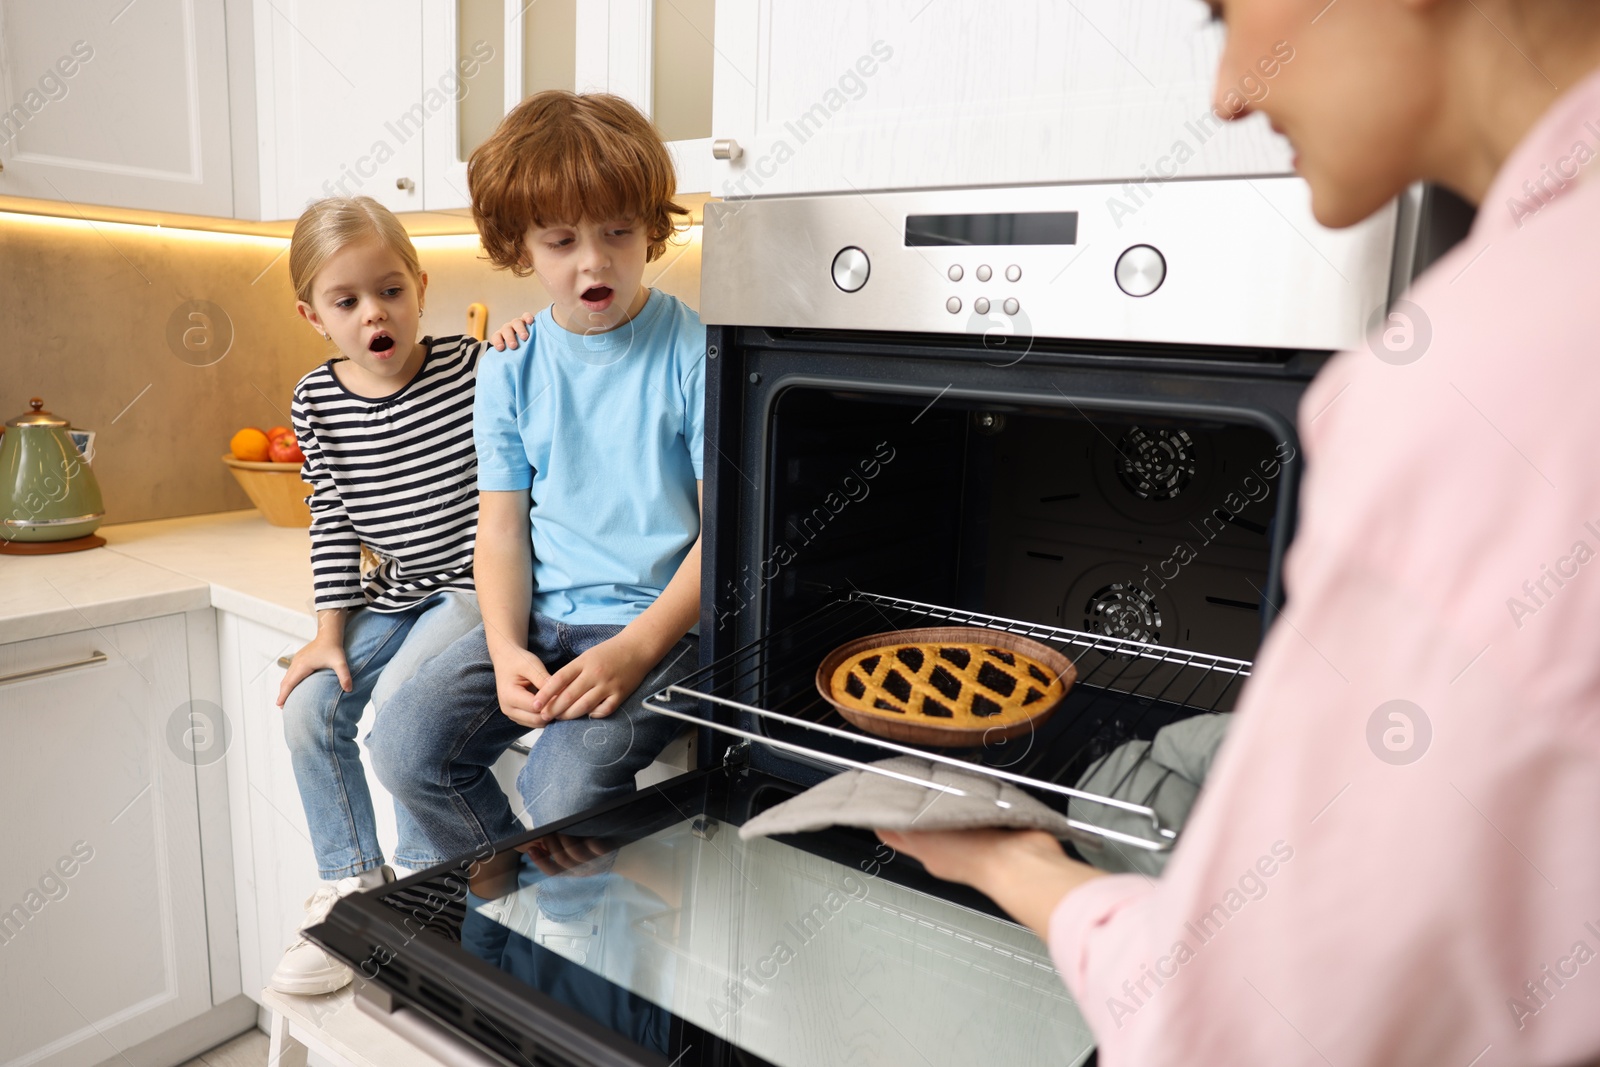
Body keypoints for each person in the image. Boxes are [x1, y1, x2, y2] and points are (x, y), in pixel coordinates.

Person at [881, 1, 1600, 1061]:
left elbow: (1243, 1026)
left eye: (1226, 12)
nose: (1227, 93)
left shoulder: (1479, 371)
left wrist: (1011, 864)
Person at [369, 92, 706, 963]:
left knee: (561, 783)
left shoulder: (690, 350)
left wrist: (634, 649)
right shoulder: (508, 365)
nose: (593, 261)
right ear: (520, 247)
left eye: (619, 233)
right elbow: (502, 532)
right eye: (560, 241)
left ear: (651, 233)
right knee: (404, 748)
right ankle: (509, 893)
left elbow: (722, 535)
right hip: (545, 617)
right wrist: (508, 643)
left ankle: (579, 940)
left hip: (656, 626)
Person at [271, 196, 483, 995]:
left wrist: (518, 344)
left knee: (402, 712)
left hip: (468, 588)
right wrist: (328, 632)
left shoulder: (470, 366)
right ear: (312, 314)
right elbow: (329, 515)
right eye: (347, 300)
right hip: (389, 590)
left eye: (390, 290)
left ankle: (426, 895)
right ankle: (356, 882)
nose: (374, 315)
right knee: (306, 705)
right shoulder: (316, 400)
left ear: (420, 285)